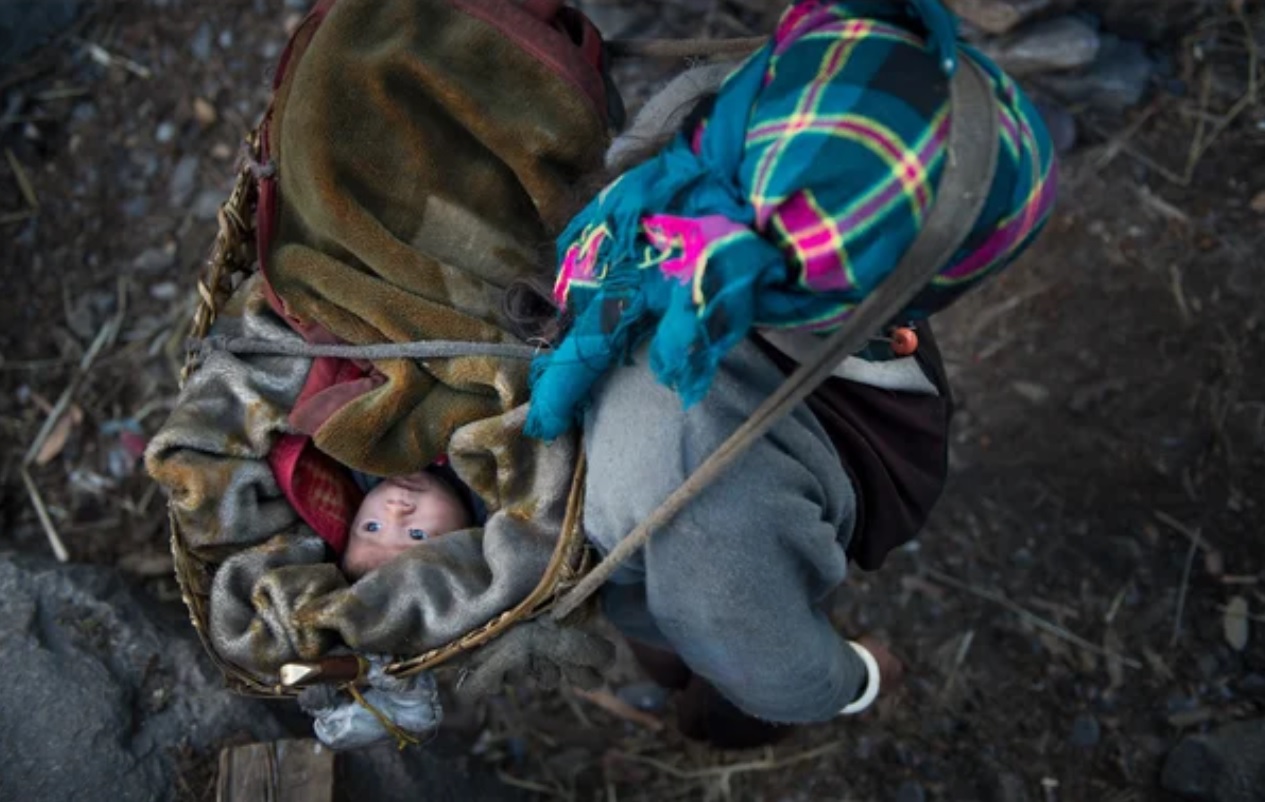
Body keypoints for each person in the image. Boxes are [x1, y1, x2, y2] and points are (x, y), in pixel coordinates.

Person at [512, 0, 1056, 748]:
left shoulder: (725, 133)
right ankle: (685, 693)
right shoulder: (713, 491)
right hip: (693, 571)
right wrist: (856, 678)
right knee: (702, 654)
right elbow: (759, 654)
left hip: (694, 527)